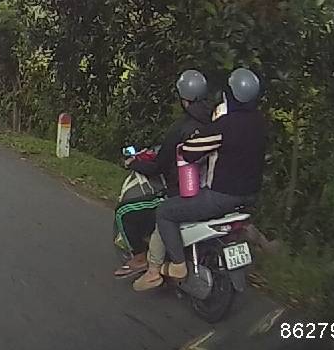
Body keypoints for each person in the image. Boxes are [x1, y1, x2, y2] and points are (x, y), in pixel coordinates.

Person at [134, 67, 266, 291]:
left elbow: (190, 152)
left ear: (230, 95)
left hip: (221, 196)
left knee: (165, 211)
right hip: (250, 196)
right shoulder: (260, 122)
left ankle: (177, 265)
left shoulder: (226, 125)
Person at [113, 70, 214, 277]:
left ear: (184, 98)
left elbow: (159, 166)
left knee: (124, 212)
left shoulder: (181, 128)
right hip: (211, 190)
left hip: (180, 192)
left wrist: (134, 163)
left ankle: (140, 257)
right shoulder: (216, 121)